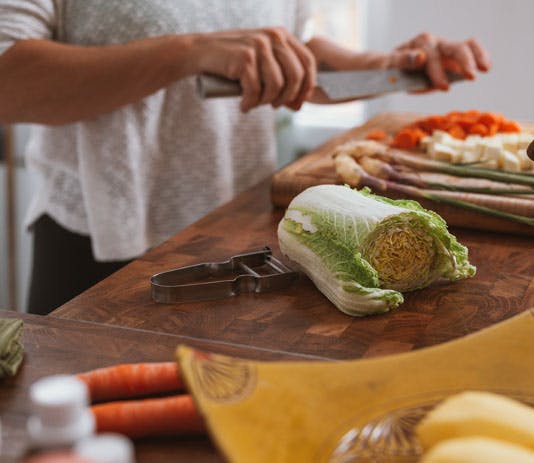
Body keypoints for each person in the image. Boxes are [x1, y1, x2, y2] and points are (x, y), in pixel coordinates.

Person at [0, 0, 490, 315]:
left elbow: (287, 53)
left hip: (239, 243)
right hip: (94, 251)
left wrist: (385, 67)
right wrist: (187, 52)